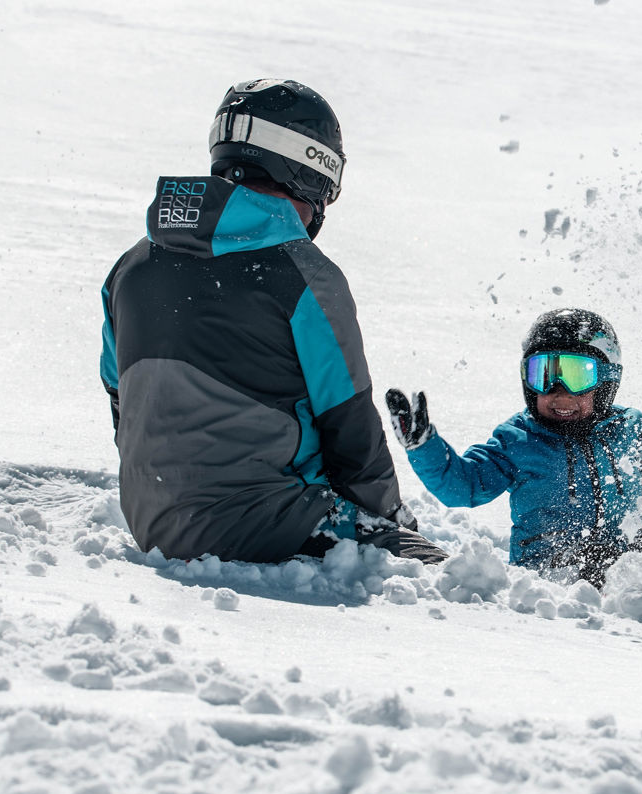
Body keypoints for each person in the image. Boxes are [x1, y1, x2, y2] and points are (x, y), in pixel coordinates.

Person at [99, 79, 446, 565]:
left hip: (152, 521)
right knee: (431, 577)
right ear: (308, 170)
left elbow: (122, 401)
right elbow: (349, 426)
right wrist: (387, 520)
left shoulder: (130, 268)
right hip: (267, 522)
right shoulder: (302, 274)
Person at [384, 308, 642, 586]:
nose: (558, 391)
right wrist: (424, 446)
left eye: (576, 373)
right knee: (605, 558)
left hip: (631, 555)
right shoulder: (518, 441)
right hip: (551, 568)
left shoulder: (626, 430)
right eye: (544, 374)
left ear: (606, 380)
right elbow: (462, 486)